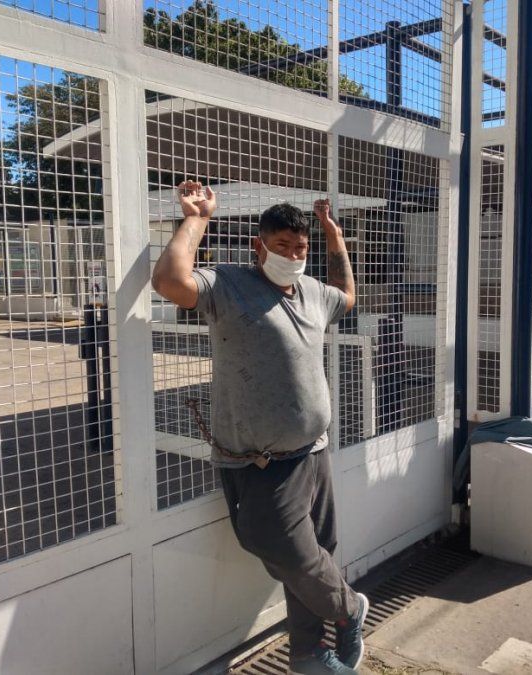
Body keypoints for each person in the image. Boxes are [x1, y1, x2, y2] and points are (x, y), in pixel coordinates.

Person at [152, 181, 369, 675]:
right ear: (259, 246)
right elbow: (169, 283)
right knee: (278, 547)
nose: (292, 255)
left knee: (316, 557)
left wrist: (334, 238)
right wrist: (197, 219)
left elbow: (348, 297)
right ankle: (349, 609)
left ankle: (311, 655)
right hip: (258, 459)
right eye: (281, 246)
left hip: (315, 450)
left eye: (300, 247)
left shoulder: (314, 291)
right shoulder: (229, 285)